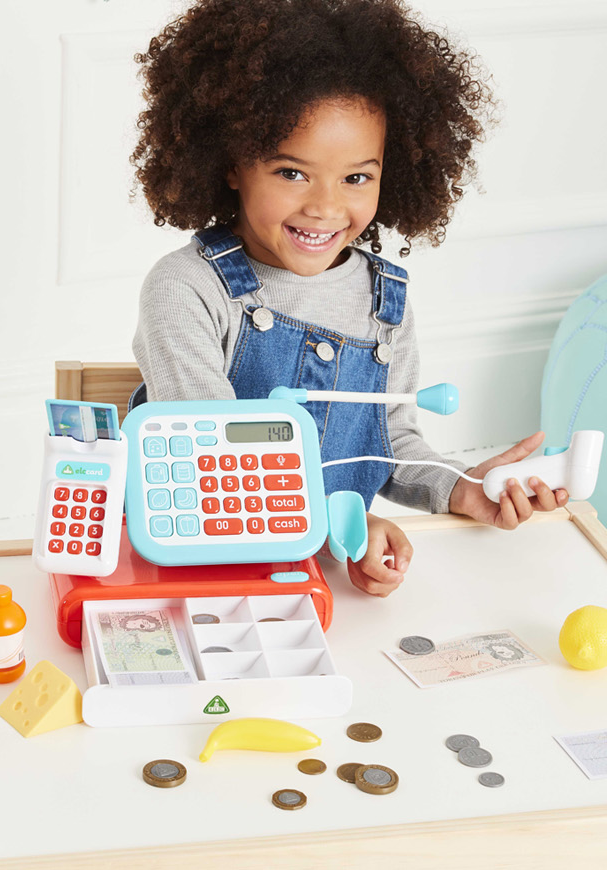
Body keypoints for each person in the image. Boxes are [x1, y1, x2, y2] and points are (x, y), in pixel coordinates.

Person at [129, 0, 568, 598]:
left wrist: (461, 487)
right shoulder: (188, 290)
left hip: (306, 576)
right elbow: (216, 469)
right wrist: (342, 526)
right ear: (233, 164)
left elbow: (388, 439)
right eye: (292, 172)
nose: (326, 207)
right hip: (192, 568)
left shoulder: (383, 300)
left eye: (356, 178)